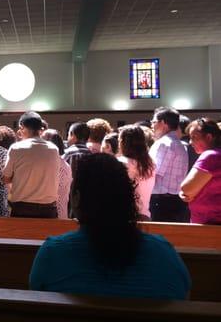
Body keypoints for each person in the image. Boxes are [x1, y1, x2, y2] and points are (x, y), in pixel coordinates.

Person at [29, 153, 190, 300]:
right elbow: (184, 296)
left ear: (77, 198)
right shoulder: (163, 253)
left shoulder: (53, 253)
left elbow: (36, 299)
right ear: (129, 199)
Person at [3, 112, 60, 218]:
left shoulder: (16, 148)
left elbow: (6, 178)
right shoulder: (54, 149)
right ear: (41, 129)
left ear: (22, 127)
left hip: (22, 207)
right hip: (48, 207)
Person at [149, 107, 189, 222]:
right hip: (176, 200)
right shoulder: (180, 144)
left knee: (160, 237)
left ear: (163, 123)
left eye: (154, 122)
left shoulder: (164, 143)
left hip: (162, 201)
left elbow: (154, 173)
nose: (152, 125)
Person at [180, 118, 221, 224]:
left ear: (209, 137)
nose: (190, 142)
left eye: (194, 137)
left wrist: (186, 193)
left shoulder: (211, 156)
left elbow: (187, 189)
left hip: (209, 224)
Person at [118, 126, 156, 220]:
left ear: (123, 142)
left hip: (124, 216)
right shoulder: (151, 164)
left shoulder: (120, 163)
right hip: (145, 215)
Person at [63, 122, 91, 218]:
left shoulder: (67, 154)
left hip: (69, 201)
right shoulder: (93, 155)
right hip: (88, 201)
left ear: (72, 135)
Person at [42, 129, 72, 219]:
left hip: (55, 216)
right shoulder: (64, 164)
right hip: (59, 214)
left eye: (42, 139)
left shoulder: (57, 166)